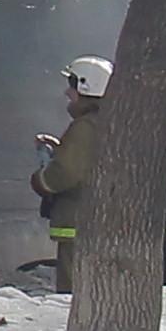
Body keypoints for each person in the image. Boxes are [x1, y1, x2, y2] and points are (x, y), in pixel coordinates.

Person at [34, 55, 114, 292]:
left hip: (80, 222)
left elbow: (67, 173)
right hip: (100, 220)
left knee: (73, 292)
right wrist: (61, 149)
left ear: (85, 86)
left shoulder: (86, 126)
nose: (68, 93)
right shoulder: (109, 122)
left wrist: (40, 180)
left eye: (72, 85)